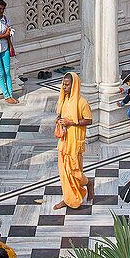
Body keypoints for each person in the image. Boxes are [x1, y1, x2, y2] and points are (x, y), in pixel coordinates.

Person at [55, 71, 94, 209]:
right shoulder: (64, 100)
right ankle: (68, 199)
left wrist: (72, 123)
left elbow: (89, 120)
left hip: (75, 143)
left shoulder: (82, 102)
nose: (64, 87)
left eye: (67, 85)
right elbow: (61, 116)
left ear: (74, 86)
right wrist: (59, 121)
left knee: (74, 171)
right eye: (63, 84)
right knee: (64, 172)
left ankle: (88, 183)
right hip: (64, 142)